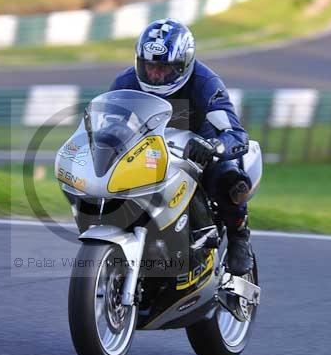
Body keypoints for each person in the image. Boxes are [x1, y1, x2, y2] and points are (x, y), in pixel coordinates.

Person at [108, 18, 253, 275]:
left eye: (164, 68)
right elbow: (106, 124)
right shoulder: (126, 82)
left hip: (199, 148)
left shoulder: (205, 83)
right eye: (149, 66)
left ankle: (239, 237)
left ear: (183, 64)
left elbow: (235, 133)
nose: (155, 75)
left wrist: (215, 146)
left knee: (231, 181)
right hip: (148, 150)